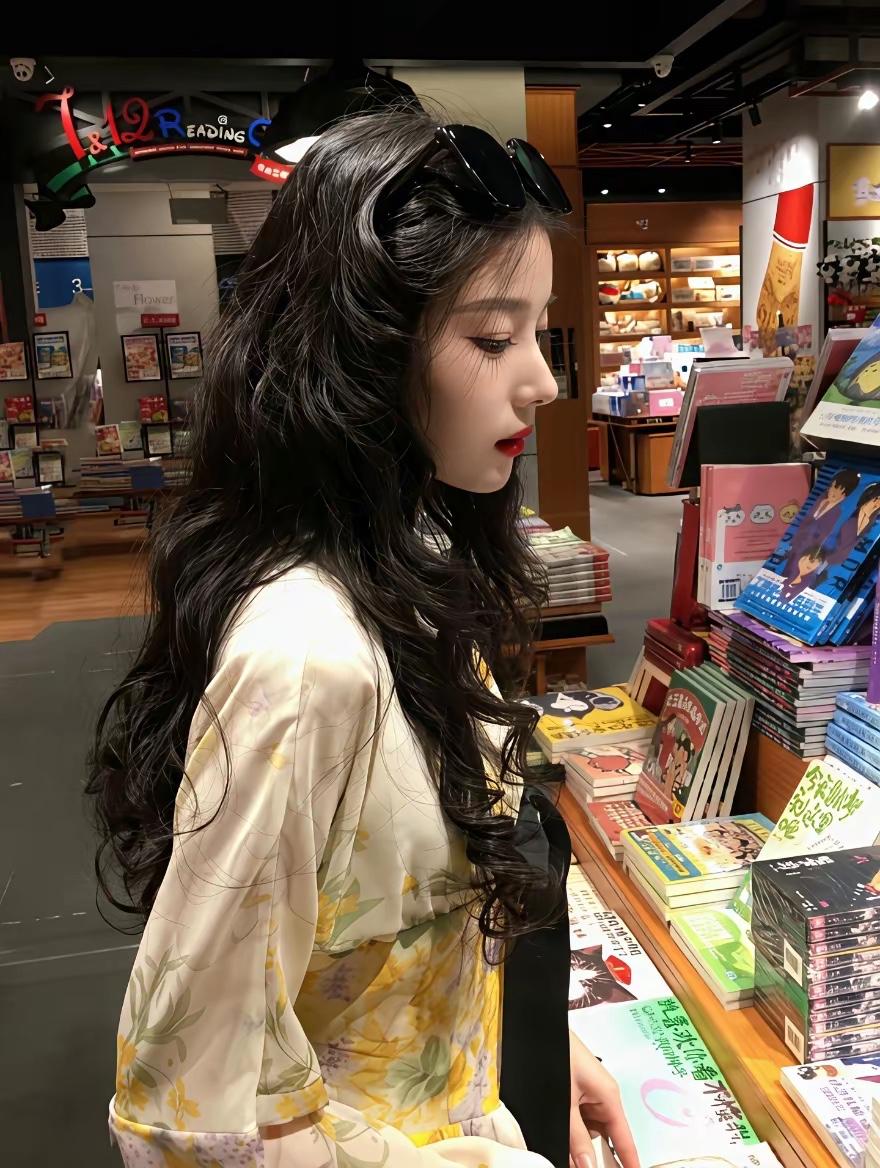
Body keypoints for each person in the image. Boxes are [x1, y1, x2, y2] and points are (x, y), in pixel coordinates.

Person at [87, 107, 639, 1168]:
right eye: (493, 338)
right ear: (360, 354)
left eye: (536, 332)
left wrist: (517, 1042)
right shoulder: (307, 655)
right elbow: (191, 1117)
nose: (541, 380)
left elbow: (377, 945)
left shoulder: (405, 567)